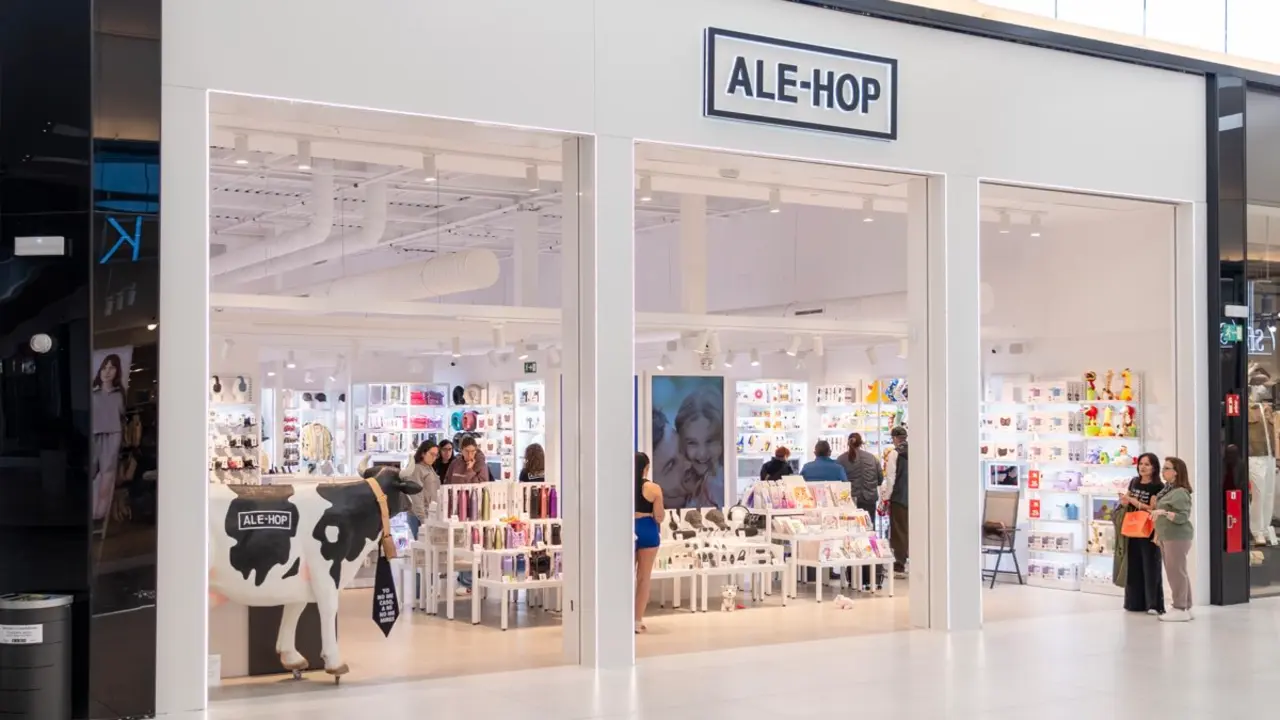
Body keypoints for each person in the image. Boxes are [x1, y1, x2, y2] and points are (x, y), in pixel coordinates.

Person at [659, 388, 724, 509]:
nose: (702, 454)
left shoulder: (719, 484)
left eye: (710, 441)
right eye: (692, 443)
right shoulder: (689, 485)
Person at [1121, 452, 1166, 615]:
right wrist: (1125, 500)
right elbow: (1129, 497)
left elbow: (1153, 508)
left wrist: (1134, 501)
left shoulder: (1158, 487)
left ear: (1154, 467)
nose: (1143, 467)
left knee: (1150, 565)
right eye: (1141, 464)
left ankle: (1153, 603)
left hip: (1148, 530)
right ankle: (1134, 602)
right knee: (1133, 565)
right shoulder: (1134, 482)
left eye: (1147, 464)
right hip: (1132, 529)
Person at [444, 437, 489, 595]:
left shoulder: (480, 464)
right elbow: (448, 482)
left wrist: (470, 470)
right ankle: (462, 579)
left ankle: (470, 582)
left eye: (473, 451)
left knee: (471, 544)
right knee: (459, 544)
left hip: (473, 511)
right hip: (456, 511)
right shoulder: (455, 463)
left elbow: (481, 484)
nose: (470, 454)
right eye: (467, 451)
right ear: (461, 450)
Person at [838, 433, 884, 588]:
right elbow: (880, 479)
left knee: (852, 537)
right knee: (869, 535)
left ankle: (853, 576)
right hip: (870, 499)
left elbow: (840, 482)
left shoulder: (842, 459)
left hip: (852, 502)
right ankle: (871, 575)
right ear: (862, 443)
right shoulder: (872, 458)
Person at [1153, 456, 1194, 622]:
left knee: (1175, 572)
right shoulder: (1167, 491)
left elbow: (1183, 516)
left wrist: (1164, 513)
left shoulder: (1180, 493)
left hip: (1177, 537)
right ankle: (1185, 604)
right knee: (1178, 571)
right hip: (1166, 536)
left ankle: (1180, 607)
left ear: (1176, 472)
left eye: (1167, 468)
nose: (1163, 471)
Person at [92, 354, 126, 522]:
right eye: (104, 367)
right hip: (94, 434)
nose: (107, 371)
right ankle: (91, 511)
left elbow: (122, 415)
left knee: (107, 475)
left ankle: (99, 513)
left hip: (113, 434)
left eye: (111, 368)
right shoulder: (94, 394)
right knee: (92, 471)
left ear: (117, 371)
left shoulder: (119, 395)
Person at [634, 451, 664, 634]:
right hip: (647, 529)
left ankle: (617, 616)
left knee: (622, 577)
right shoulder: (653, 489)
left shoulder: (620, 486)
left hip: (626, 528)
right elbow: (659, 517)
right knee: (644, 578)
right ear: (646, 468)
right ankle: (636, 621)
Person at [882, 426, 909, 578]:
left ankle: (899, 564)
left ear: (894, 438)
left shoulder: (895, 453)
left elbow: (891, 478)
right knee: (912, 529)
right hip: (916, 498)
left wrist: (886, 498)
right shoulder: (917, 451)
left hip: (899, 497)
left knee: (898, 531)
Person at [399, 440, 440, 540]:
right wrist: (423, 519)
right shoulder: (417, 469)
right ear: (423, 453)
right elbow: (416, 496)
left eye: (436, 455)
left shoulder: (429, 468)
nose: (434, 458)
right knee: (421, 548)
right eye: (432, 454)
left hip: (429, 514)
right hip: (418, 516)